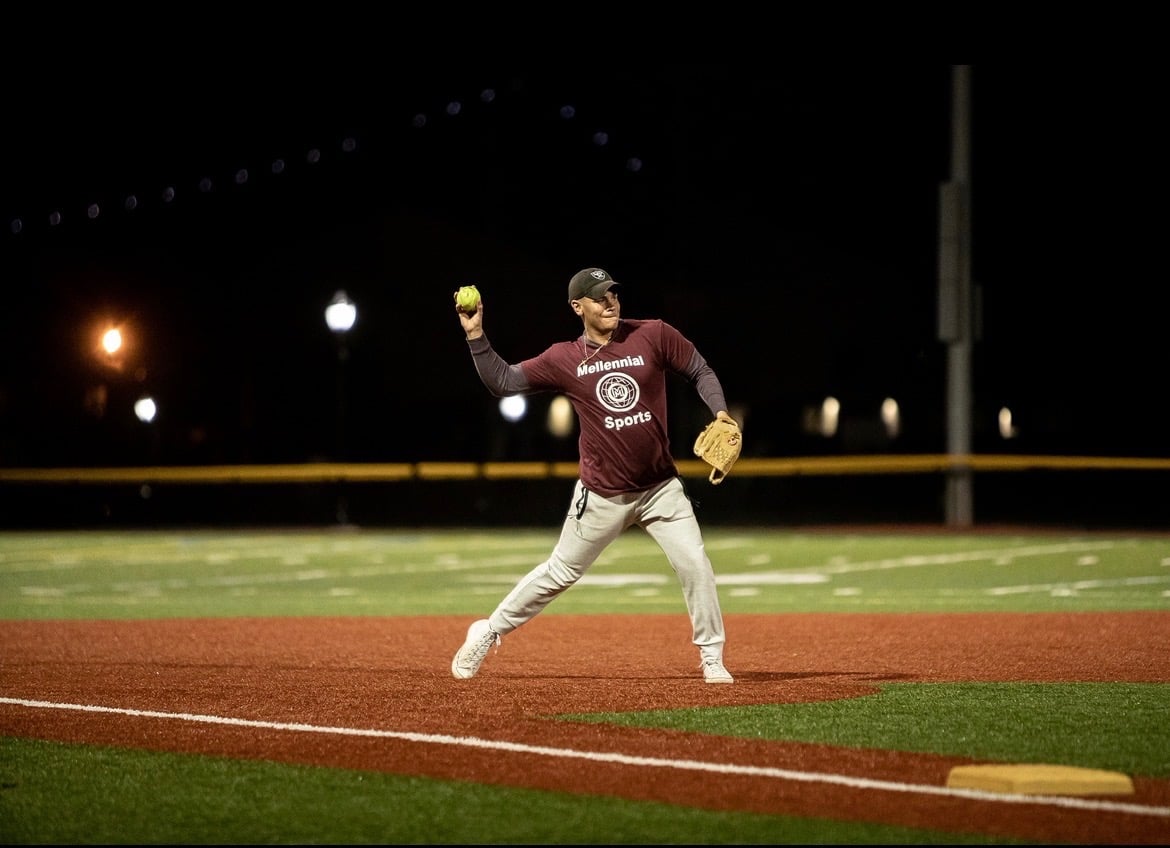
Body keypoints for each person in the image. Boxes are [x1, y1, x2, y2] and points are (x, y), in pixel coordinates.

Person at [450, 267, 737, 684]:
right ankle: (488, 630)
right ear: (577, 306)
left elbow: (700, 370)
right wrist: (476, 335)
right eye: (599, 297)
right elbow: (504, 381)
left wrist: (721, 412)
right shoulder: (564, 358)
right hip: (602, 494)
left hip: (659, 488)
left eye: (613, 295)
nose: (610, 303)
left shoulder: (653, 334)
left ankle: (712, 657)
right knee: (559, 574)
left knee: (696, 564)